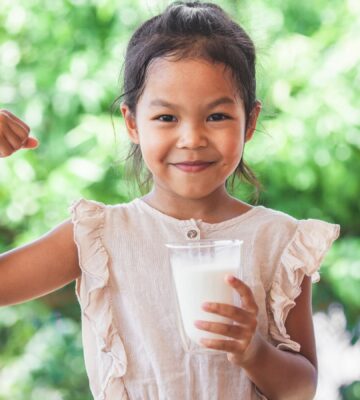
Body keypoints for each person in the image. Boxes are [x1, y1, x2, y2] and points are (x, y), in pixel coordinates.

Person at [0, 1, 340, 399]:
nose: (192, 139)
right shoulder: (96, 238)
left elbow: (301, 389)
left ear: (250, 121)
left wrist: (253, 350)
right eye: (166, 118)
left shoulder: (280, 241)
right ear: (132, 123)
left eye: (216, 117)